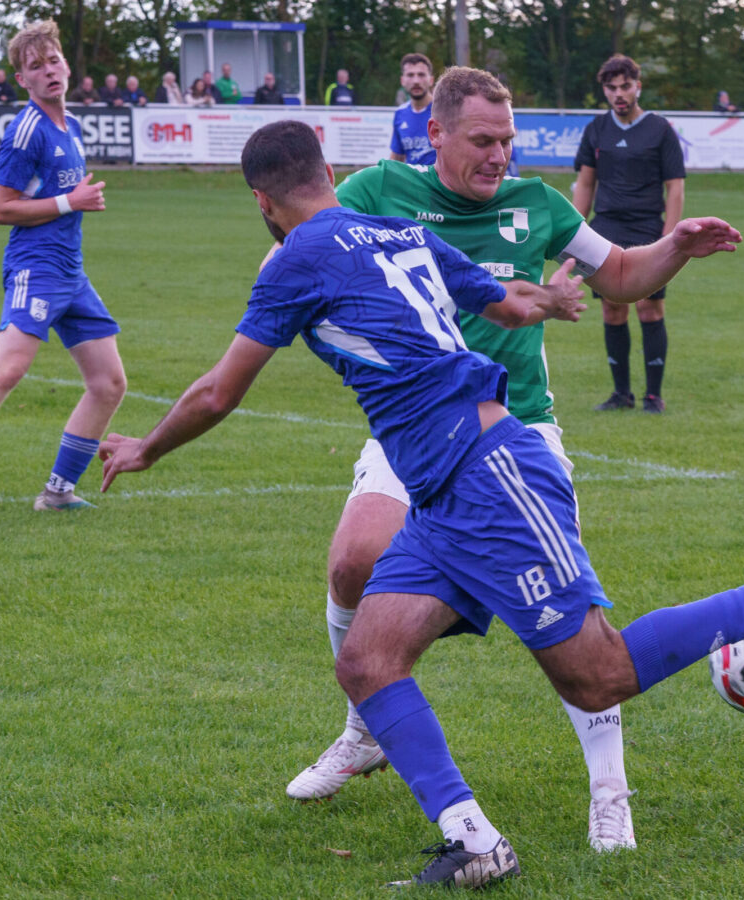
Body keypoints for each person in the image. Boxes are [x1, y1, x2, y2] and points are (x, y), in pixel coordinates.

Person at [98, 118, 744, 889]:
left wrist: (145, 448)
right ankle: (473, 843)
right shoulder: (399, 232)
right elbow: (503, 304)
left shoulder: (292, 259)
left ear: (262, 203)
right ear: (329, 175)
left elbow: (218, 391)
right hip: (438, 493)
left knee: (597, 675)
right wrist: (551, 298)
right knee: (366, 661)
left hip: (490, 475)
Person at [281, 65, 674, 854]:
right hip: (411, 430)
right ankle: (363, 731)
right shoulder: (377, 190)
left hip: (516, 432)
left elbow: (623, 276)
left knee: (563, 621)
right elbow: (307, 243)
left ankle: (609, 792)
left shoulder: (538, 205)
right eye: (483, 141)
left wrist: (679, 247)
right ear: (435, 134)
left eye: (508, 141)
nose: (499, 156)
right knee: (353, 561)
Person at [0, 19, 126, 514]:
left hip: (71, 272)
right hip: (35, 268)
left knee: (109, 382)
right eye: (36, 66)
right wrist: (70, 201)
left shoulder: (70, 125)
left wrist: (73, 200)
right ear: (22, 80)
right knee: (10, 366)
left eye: (54, 61)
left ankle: (58, 493)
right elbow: (0, 209)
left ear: (67, 65)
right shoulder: (25, 132)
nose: (49, 71)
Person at [572, 54, 686, 415]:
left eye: (625, 86)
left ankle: (653, 396)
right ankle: (621, 394)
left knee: (649, 307)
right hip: (606, 229)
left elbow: (675, 188)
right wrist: (574, 231)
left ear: (638, 86)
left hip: (648, 228)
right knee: (612, 308)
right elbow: (585, 183)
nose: (618, 93)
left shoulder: (660, 129)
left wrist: (670, 240)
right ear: (604, 91)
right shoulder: (596, 129)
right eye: (611, 88)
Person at [388, 53, 434, 165]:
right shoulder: (400, 113)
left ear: (431, 80)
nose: (416, 81)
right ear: (402, 81)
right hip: (412, 176)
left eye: (421, 75)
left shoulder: (446, 111)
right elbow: (397, 157)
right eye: (410, 75)